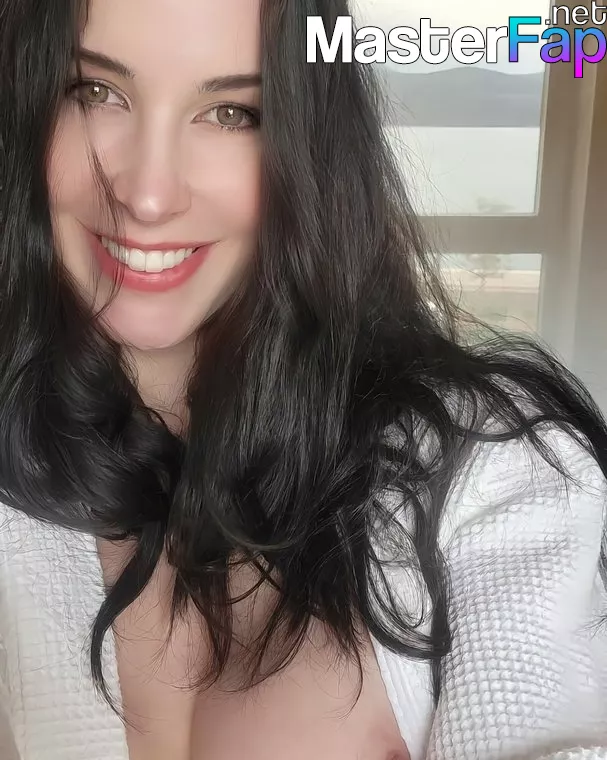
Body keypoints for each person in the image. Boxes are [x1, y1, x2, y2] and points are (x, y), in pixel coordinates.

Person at [0, 0, 605, 759]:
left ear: (311, 150)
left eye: (232, 112)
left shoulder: (487, 471)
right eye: (95, 92)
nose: (147, 196)